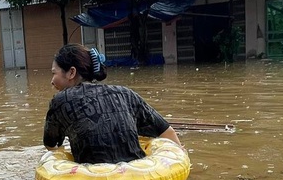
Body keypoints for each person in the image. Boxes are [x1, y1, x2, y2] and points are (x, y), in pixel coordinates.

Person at [43, 44, 181, 164]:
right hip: (139, 179)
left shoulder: (60, 100)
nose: (51, 81)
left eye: (54, 73)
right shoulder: (125, 93)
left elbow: (51, 145)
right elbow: (167, 131)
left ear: (71, 72)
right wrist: (182, 162)